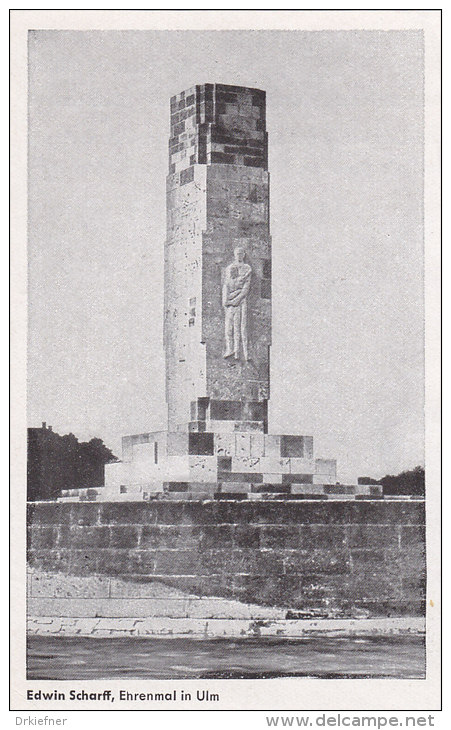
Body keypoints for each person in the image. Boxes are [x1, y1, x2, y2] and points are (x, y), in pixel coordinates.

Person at [222, 247, 252, 360]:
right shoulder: (229, 268)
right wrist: (233, 297)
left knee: (242, 327)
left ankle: (244, 352)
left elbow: (246, 288)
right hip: (231, 305)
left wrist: (237, 298)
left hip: (241, 302)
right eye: (237, 253)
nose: (239, 255)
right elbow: (226, 291)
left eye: (241, 253)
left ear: (244, 254)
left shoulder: (247, 268)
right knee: (229, 328)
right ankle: (230, 349)